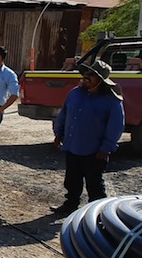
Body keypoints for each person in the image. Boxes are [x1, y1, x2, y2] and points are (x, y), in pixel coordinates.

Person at [50, 60, 124, 216]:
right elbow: (64, 114)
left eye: (92, 75)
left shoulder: (112, 101)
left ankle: (98, 214)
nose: (86, 77)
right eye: (86, 73)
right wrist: (59, 133)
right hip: (72, 146)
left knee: (95, 185)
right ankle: (70, 205)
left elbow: (116, 127)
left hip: (94, 151)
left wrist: (106, 148)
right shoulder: (75, 93)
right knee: (72, 180)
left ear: (101, 80)